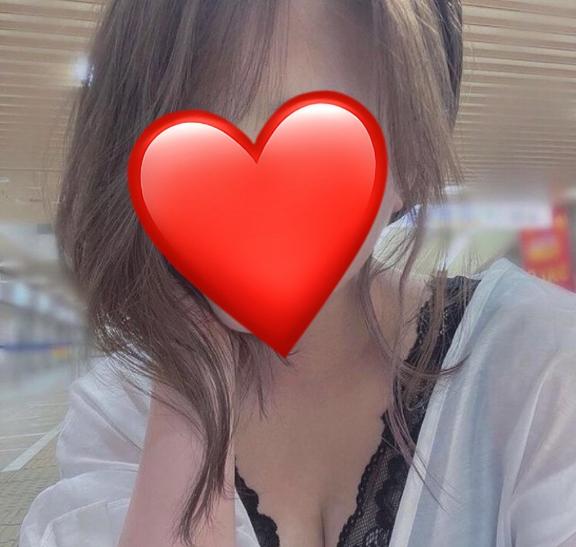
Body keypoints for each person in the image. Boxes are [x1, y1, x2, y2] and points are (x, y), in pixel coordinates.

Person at [19, 1, 576, 546]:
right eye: (187, 145)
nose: (241, 198)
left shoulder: (540, 364)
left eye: (318, 139)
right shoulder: (120, 406)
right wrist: (191, 401)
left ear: (408, 161)